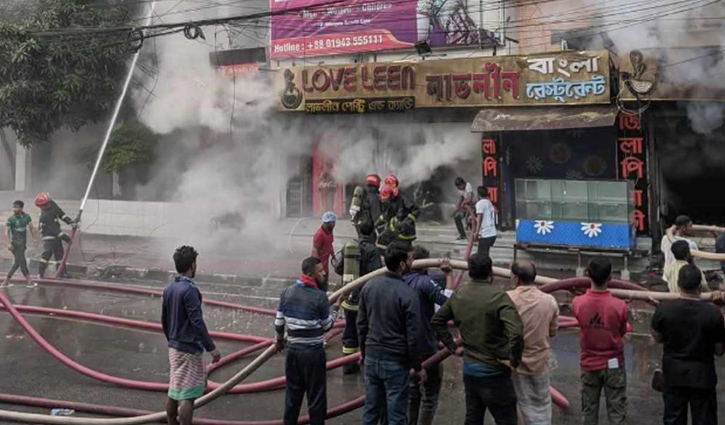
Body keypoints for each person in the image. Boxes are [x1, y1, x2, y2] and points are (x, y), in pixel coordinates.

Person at [431, 253, 524, 425]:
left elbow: (437, 321)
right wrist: (514, 360)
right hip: (495, 373)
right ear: (491, 273)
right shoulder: (499, 296)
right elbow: (516, 333)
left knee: (473, 419)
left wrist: (452, 347)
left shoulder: (459, 294)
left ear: (470, 273)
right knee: (506, 420)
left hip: (470, 371)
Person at [357, 242, 426, 425]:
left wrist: (364, 353)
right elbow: (413, 335)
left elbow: (361, 325)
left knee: (371, 411)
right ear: (402, 265)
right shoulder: (408, 293)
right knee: (396, 414)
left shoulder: (369, 287)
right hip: (395, 362)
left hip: (372, 357)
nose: (413, 262)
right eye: (410, 259)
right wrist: (417, 367)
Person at [651, 264, 725, 425]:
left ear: (678, 284)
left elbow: (657, 337)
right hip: (703, 376)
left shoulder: (664, 309)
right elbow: (719, 350)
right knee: (705, 420)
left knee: (674, 420)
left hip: (673, 374)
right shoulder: (713, 313)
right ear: (700, 285)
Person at [275, 257, 341, 425]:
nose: (324, 273)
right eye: (320, 271)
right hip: (313, 354)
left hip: (293, 353)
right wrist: (336, 307)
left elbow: (279, 322)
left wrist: (279, 341)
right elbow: (327, 326)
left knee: (292, 397)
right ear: (311, 274)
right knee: (316, 398)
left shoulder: (287, 292)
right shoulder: (319, 297)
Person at [162, 246, 220, 425]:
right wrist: (212, 348)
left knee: (174, 388)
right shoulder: (190, 291)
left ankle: (172, 422)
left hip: (174, 347)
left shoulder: (169, 288)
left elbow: (164, 320)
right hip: (188, 348)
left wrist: (171, 340)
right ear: (192, 265)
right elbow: (197, 323)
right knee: (188, 395)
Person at [571, 257, 629, 425]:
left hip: (589, 363)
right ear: (610, 277)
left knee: (589, 411)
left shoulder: (577, 303)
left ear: (587, 274)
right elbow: (622, 331)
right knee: (617, 412)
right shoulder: (620, 306)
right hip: (614, 364)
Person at [507, 261, 559, 425]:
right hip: (538, 363)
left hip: (510, 363)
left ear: (515, 278)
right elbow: (552, 332)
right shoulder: (549, 301)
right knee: (540, 409)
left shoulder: (506, 299)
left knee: (509, 408)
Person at [404, 245, 451, 425]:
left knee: (412, 393)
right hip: (426, 346)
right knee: (429, 395)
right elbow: (447, 304)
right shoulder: (425, 282)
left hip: (407, 347)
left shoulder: (399, 280)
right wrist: (449, 276)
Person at [341, 220, 382, 374]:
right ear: (373, 233)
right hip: (364, 302)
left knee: (349, 332)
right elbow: (376, 274)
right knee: (366, 332)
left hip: (348, 299)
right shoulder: (372, 250)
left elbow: (339, 267)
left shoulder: (350, 246)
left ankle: (348, 365)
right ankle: (366, 363)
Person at [35, 192, 76, 278]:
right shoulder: (44, 215)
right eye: (43, 205)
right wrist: (65, 238)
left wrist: (70, 222)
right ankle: (40, 273)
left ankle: (62, 273)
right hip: (47, 234)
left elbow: (61, 214)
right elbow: (54, 229)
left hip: (56, 231)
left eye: (46, 204)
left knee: (59, 254)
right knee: (48, 252)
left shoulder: (52, 204)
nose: (46, 206)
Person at [2, 200, 37, 288]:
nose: (14, 209)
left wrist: (35, 239)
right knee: (22, 261)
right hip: (15, 244)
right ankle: (29, 281)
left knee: (17, 263)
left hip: (23, 244)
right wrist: (8, 243)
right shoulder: (11, 219)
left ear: (21, 208)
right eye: (14, 207)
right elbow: (6, 232)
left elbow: (32, 228)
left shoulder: (27, 217)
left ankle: (5, 282)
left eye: (16, 207)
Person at [376, 183, 420, 249]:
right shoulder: (392, 201)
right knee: (381, 239)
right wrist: (377, 222)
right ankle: (387, 256)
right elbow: (387, 214)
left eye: (386, 199)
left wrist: (405, 223)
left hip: (405, 231)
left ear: (391, 195)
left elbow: (416, 210)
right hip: (396, 229)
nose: (386, 201)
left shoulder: (403, 198)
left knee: (403, 250)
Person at [312, 211, 337, 292]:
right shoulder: (319, 234)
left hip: (325, 267)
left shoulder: (330, 231)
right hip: (319, 268)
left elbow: (330, 245)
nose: (334, 224)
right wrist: (319, 268)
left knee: (324, 287)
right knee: (319, 288)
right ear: (327, 223)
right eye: (332, 222)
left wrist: (334, 256)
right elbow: (315, 250)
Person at [474, 186, 496, 258]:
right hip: (492, 233)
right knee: (485, 254)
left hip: (486, 233)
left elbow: (480, 219)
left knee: (481, 256)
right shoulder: (489, 203)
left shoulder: (480, 204)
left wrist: (476, 232)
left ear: (478, 194)